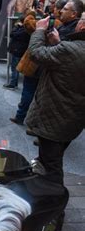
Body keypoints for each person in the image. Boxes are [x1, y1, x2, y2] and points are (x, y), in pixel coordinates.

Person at [25, 12, 85, 186]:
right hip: (74, 118)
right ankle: (43, 191)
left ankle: (55, 204)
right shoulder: (70, 49)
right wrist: (58, 44)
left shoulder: (69, 49)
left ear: (82, 26)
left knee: (51, 165)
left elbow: (36, 53)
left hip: (55, 116)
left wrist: (39, 30)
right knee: (51, 157)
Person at [9, 0, 67, 126]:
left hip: (37, 62)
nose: (51, 6)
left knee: (29, 91)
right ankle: (33, 122)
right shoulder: (63, 24)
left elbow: (29, 25)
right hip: (48, 62)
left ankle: (21, 116)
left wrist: (31, 13)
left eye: (53, 5)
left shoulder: (54, 22)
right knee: (38, 94)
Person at [3, 15, 30, 89]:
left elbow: (12, 34)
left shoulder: (23, 29)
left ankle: (13, 84)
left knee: (14, 67)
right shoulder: (27, 29)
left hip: (17, 49)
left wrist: (17, 27)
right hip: (19, 49)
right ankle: (14, 83)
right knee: (15, 67)